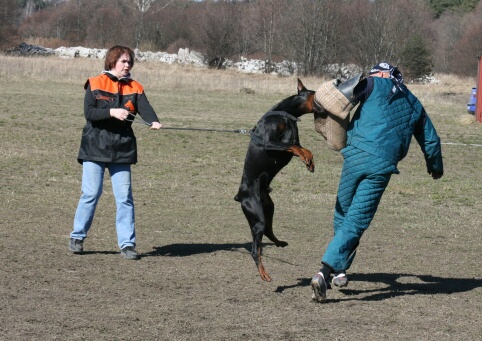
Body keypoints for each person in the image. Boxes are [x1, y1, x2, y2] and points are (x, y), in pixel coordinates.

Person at [311, 62, 444, 302]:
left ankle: (334, 270)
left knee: (344, 209)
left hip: (355, 155)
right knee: (356, 218)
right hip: (382, 165)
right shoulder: (414, 102)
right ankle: (330, 271)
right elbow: (431, 140)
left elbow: (339, 98)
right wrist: (435, 167)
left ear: (379, 74)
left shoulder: (371, 84)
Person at [69, 45, 162, 260]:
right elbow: (89, 113)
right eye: (123, 61)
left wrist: (154, 121)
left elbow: (146, 110)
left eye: (129, 62)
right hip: (95, 147)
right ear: (112, 62)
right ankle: (77, 236)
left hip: (122, 149)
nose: (127, 65)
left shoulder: (136, 87)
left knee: (125, 198)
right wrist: (112, 111)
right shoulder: (95, 83)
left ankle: (128, 245)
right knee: (91, 194)